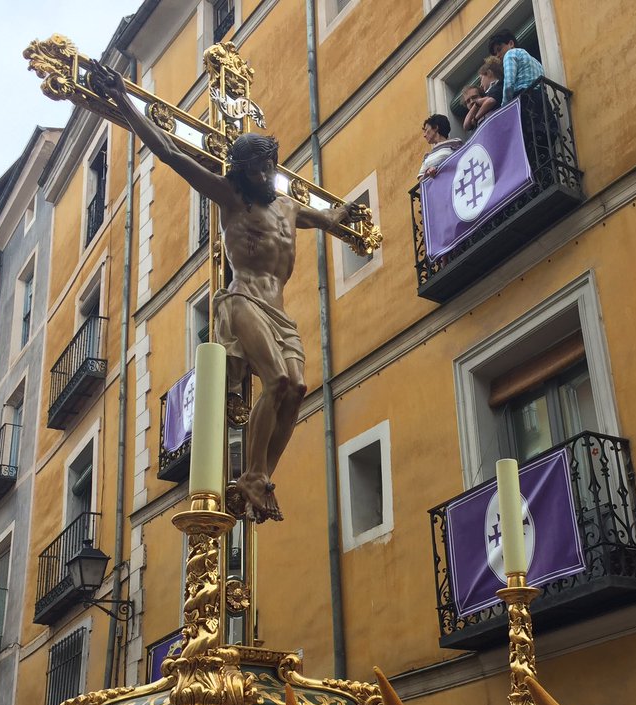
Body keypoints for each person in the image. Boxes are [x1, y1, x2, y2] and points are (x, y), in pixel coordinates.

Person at [88, 60, 363, 522]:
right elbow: (171, 154)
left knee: (296, 387)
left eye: (270, 164)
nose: (267, 172)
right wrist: (124, 101)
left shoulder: (290, 207)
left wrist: (350, 217)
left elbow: (329, 219)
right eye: (258, 166)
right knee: (275, 380)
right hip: (242, 301)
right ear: (243, 170)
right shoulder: (232, 198)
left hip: (279, 312)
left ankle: (260, 477)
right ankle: (251, 472)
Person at [488, 28, 544, 106]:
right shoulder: (536, 61)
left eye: (499, 49)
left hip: (525, 101)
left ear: (511, 43)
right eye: (495, 53)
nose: (497, 55)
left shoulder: (509, 54)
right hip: (542, 100)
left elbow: (509, 85)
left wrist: (504, 107)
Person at [418, 113, 463, 180]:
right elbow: (421, 179)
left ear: (436, 127)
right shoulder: (428, 156)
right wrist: (427, 174)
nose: (424, 135)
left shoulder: (455, 143)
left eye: (426, 130)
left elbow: (463, 160)